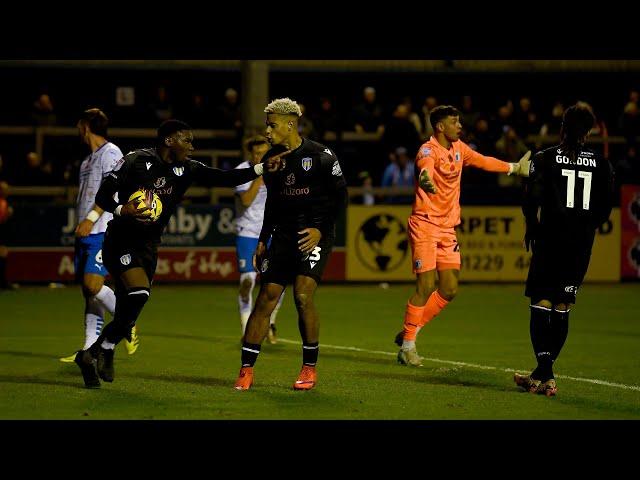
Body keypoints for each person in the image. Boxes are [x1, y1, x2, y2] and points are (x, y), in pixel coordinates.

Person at [73, 119, 286, 388]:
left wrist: (261, 168)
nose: (192, 146)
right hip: (120, 240)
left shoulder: (187, 169)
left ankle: (93, 353)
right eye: (187, 140)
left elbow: (226, 178)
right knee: (139, 293)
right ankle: (103, 348)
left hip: (149, 245)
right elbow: (104, 197)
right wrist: (122, 210)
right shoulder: (135, 160)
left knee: (129, 311)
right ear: (169, 140)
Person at [393, 105, 531, 366]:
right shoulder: (428, 149)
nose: (460, 126)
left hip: (447, 228)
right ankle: (408, 347)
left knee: (450, 288)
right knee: (425, 286)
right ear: (440, 127)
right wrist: (424, 179)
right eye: (454, 122)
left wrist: (514, 168)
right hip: (425, 224)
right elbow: (425, 168)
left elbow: (484, 161)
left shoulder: (460, 149)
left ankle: (411, 330)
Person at [233, 98, 348, 391]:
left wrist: (321, 231)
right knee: (266, 297)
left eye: (272, 125)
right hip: (282, 235)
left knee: (302, 296)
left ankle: (309, 368)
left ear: (290, 125)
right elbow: (272, 202)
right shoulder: (272, 159)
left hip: (314, 235)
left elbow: (340, 199)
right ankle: (246, 370)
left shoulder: (321, 155)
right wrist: (262, 240)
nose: (268, 132)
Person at [514, 103, 614, 397]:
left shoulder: (545, 158)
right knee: (562, 305)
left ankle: (545, 374)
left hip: (549, 241)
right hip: (580, 245)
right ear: (589, 131)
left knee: (541, 302)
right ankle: (540, 375)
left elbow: (530, 199)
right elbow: (605, 209)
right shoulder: (601, 163)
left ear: (562, 128)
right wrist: (584, 229)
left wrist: (532, 226)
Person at [59, 108, 140, 363]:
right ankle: (88, 351)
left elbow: (112, 191)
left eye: (79, 125)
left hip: (102, 230)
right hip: (85, 234)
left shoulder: (111, 152)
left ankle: (128, 322)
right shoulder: (87, 160)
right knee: (89, 293)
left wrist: (91, 218)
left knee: (92, 285)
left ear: (86, 126)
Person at [234, 134, 284, 343]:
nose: (260, 157)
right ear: (250, 154)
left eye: (264, 153)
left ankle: (270, 322)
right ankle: (247, 329)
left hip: (272, 232)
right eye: (256, 154)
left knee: (277, 282)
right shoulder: (242, 171)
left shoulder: (279, 168)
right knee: (248, 280)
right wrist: (260, 176)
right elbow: (245, 200)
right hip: (247, 232)